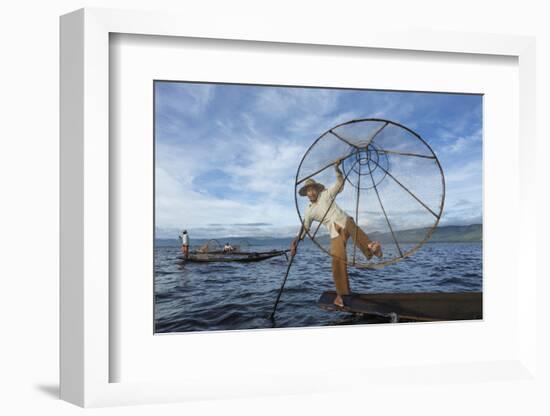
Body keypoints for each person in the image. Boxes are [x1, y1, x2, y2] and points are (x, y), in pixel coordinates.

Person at [290, 160, 382, 308]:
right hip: (335, 232)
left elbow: (339, 183)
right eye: (308, 190)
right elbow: (305, 228)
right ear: (306, 194)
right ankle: (342, 294)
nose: (311, 192)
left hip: (345, 222)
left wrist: (337, 169)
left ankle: (371, 247)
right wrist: (295, 241)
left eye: (313, 189)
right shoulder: (309, 211)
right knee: (337, 260)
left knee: (351, 225)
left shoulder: (326, 194)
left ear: (317, 189)